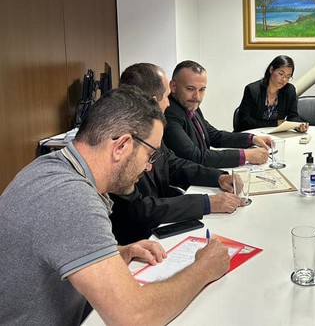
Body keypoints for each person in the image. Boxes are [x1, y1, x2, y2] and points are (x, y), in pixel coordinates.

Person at [0, 87, 230, 325]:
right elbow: (135, 317)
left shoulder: (50, 168)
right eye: (150, 155)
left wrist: (117, 253)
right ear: (121, 146)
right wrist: (204, 269)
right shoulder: (70, 197)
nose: (149, 167)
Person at [110, 63, 243, 245]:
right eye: (166, 96)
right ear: (151, 101)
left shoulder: (148, 130)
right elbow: (139, 209)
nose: (168, 103)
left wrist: (218, 177)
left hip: (162, 226)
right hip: (140, 242)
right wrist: (206, 203)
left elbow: (172, 163)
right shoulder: (120, 143)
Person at [164, 60, 272, 168]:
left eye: (202, 90)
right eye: (190, 89)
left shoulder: (189, 104)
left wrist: (252, 139)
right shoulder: (169, 113)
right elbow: (196, 157)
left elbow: (214, 136)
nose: (197, 96)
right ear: (173, 86)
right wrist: (245, 155)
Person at [235, 55, 308, 132]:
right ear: (271, 69)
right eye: (281, 74)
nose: (284, 79)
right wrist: (276, 124)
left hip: (274, 134)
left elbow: (293, 116)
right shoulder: (252, 90)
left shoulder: (289, 90)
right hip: (249, 134)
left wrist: (299, 125)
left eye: (288, 77)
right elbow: (244, 120)